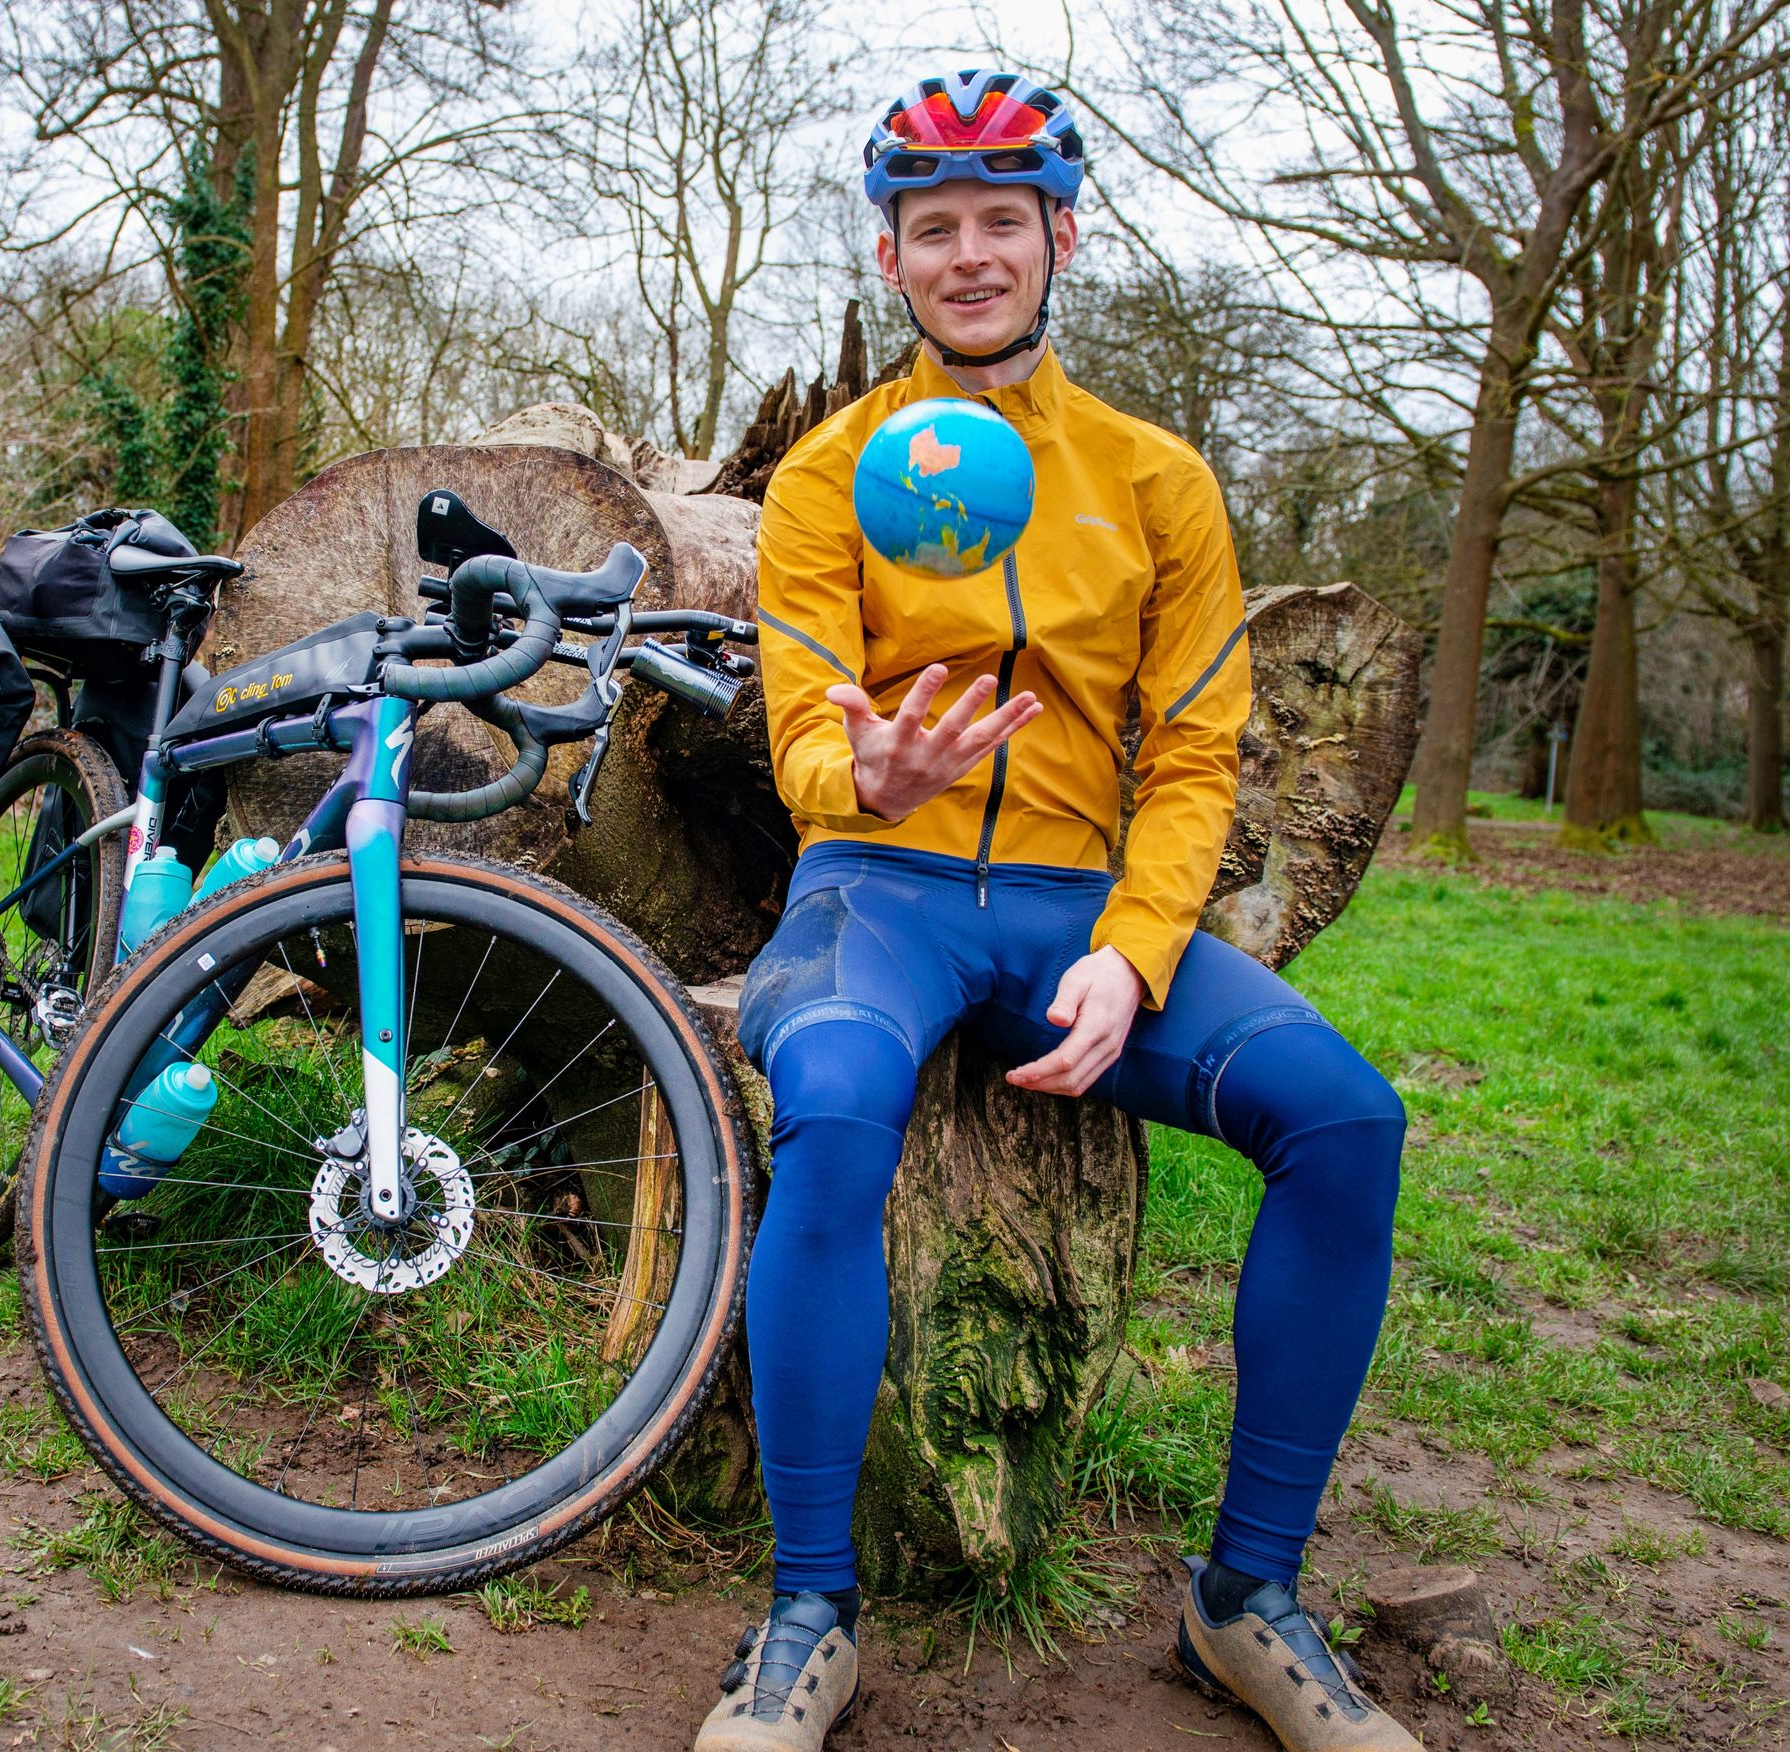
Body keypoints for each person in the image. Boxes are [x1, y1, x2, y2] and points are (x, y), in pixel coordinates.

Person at [690, 70, 1419, 1752]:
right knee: (844, 1100)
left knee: (1347, 1121)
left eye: (997, 221)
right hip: (875, 899)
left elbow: (1199, 755)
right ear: (891, 258)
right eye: (930, 226)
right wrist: (858, 778)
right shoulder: (826, 475)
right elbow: (801, 722)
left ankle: (1244, 1604)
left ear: (1059, 235)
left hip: (1083, 909)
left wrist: (1136, 951)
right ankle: (811, 1615)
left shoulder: (1160, 481)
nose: (966, 254)